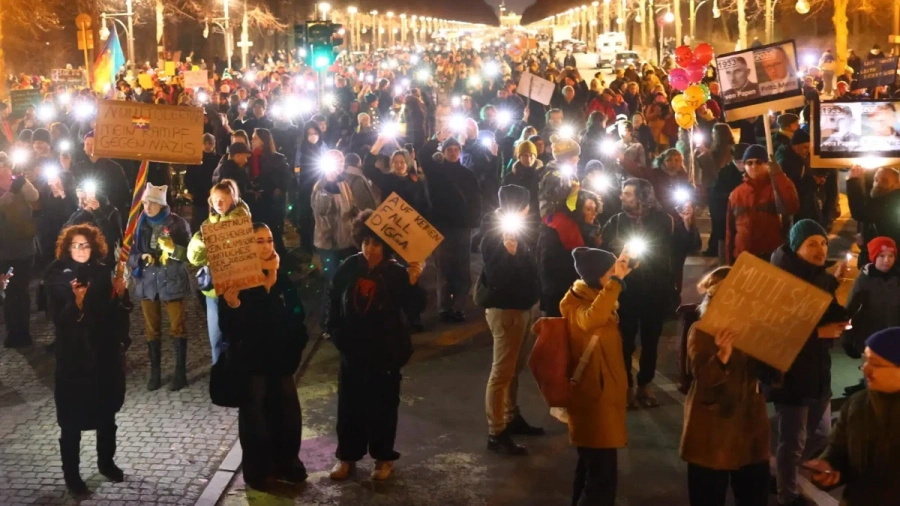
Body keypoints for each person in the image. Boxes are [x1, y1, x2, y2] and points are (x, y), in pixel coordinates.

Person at [325, 211, 426, 481]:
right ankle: (347, 457)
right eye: (366, 242)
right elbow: (333, 298)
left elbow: (415, 309)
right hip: (352, 350)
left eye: (376, 243)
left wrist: (414, 283)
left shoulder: (396, 272)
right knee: (349, 406)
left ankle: (383, 458)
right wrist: (334, 331)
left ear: (386, 245)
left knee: (383, 406)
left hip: (385, 352)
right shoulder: (349, 266)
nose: (370, 249)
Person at [219, 223, 309, 490]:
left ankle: (288, 463)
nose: (266, 246)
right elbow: (228, 327)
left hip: (281, 358)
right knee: (255, 416)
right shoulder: (238, 280)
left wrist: (296, 343)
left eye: (269, 240)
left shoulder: (281, 276)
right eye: (259, 241)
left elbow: (297, 312)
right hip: (253, 360)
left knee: (287, 411)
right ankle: (259, 470)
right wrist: (233, 305)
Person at [768, 219, 850, 506]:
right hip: (791, 375)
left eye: (824, 243)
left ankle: (783, 473)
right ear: (796, 247)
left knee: (819, 434)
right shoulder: (782, 279)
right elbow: (774, 330)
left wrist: (841, 306)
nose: (821, 249)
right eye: (812, 243)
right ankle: (787, 495)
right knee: (793, 441)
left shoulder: (818, 275)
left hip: (817, 370)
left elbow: (825, 309)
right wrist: (818, 333)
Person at [45, 224, 131, 496]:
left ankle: (106, 462)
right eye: (75, 245)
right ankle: (72, 476)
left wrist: (121, 293)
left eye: (85, 245)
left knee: (106, 415)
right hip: (74, 359)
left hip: (103, 355)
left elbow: (116, 313)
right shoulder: (56, 275)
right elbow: (57, 318)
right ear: (67, 248)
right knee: (71, 422)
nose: (81, 249)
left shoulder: (104, 272)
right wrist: (77, 303)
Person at [680, 267, 771, 506]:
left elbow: (770, 374)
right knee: (708, 495)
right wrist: (722, 355)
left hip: (750, 426)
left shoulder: (753, 330)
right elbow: (702, 376)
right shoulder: (701, 330)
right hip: (712, 429)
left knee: (754, 496)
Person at [559, 246, 634, 506]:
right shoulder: (576, 304)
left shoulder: (595, 295)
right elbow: (592, 319)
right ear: (596, 276)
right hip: (593, 400)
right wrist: (616, 282)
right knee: (601, 480)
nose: (615, 274)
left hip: (602, 398)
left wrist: (624, 267)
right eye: (610, 271)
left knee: (590, 471)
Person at [601, 178, 680, 408]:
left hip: (655, 291)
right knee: (624, 342)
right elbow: (603, 250)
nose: (622, 197)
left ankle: (645, 384)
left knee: (651, 342)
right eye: (623, 193)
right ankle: (625, 386)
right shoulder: (616, 222)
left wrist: (688, 224)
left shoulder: (664, 221)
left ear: (642, 197)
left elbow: (681, 248)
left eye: (628, 193)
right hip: (626, 293)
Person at [804, 327, 900, 505]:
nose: (865, 369)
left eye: (876, 364)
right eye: (865, 360)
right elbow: (838, 449)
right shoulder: (857, 404)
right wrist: (828, 465)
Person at [480, 185, 542, 456]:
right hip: (506, 311)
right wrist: (510, 253)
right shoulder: (493, 235)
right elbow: (497, 279)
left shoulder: (520, 230)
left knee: (514, 369)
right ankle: (496, 432)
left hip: (523, 308)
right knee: (501, 373)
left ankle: (511, 415)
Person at [127, 183, 193, 392]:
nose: (147, 207)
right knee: (151, 329)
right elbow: (129, 254)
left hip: (172, 280)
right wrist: (140, 257)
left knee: (177, 326)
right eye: (145, 202)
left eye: (152, 203)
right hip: (147, 282)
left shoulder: (178, 224)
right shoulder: (138, 224)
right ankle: (155, 373)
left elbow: (189, 255)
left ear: (162, 204)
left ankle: (180, 372)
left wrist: (173, 249)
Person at [419, 134, 482, 322]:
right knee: (444, 270)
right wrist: (436, 138)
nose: (453, 152)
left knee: (462, 269)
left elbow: (476, 199)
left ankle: (458, 307)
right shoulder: (436, 172)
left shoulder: (468, 174)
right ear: (444, 152)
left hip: (462, 228)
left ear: (460, 152)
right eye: (449, 149)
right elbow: (423, 155)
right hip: (442, 227)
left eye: (456, 149)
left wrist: (473, 221)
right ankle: (444, 308)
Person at [188, 180, 251, 364]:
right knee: (215, 339)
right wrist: (199, 243)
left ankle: (240, 374)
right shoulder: (207, 224)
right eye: (215, 199)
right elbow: (195, 259)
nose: (219, 203)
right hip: (214, 291)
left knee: (238, 338)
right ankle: (219, 374)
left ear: (233, 198)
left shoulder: (243, 223)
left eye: (223, 199)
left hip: (238, 289)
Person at [840, 237, 900, 394]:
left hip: (894, 334)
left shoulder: (898, 278)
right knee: (873, 371)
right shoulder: (864, 280)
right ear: (873, 257)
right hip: (870, 335)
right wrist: (846, 338)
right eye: (881, 256)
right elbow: (850, 308)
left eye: (891, 256)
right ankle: (867, 392)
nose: (886, 260)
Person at [726, 145, 800, 264]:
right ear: (744, 166)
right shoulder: (736, 194)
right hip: (743, 256)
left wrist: (778, 175)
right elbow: (730, 230)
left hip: (770, 256)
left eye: (759, 162)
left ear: (767, 164)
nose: (754, 166)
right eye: (749, 163)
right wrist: (729, 261)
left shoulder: (776, 188)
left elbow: (791, 205)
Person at [0, 172, 39, 348]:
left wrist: (24, 182)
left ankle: (23, 332)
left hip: (24, 252)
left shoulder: (21, 186)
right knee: (9, 291)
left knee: (21, 292)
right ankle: (12, 332)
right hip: (5, 254)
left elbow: (34, 196)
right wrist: (10, 194)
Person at [312, 150, 361, 284]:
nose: (338, 165)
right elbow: (321, 209)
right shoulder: (321, 185)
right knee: (333, 280)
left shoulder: (344, 183)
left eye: (341, 162)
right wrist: (329, 185)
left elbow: (350, 204)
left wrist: (357, 213)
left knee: (346, 279)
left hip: (345, 240)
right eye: (335, 161)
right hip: (328, 243)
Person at [249, 128, 292, 257]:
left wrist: (278, 190)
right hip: (256, 202)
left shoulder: (277, 159)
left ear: (263, 141)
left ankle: (279, 257)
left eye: (255, 138)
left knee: (273, 231)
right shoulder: (250, 158)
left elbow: (286, 178)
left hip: (271, 202)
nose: (252, 141)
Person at [846, 165, 900, 266]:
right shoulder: (878, 199)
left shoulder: (894, 201)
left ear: (897, 183)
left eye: (884, 181)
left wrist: (853, 181)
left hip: (888, 263)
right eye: (876, 180)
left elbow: (860, 213)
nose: (878, 183)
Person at [71, 132, 131, 219]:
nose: (90, 147)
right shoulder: (78, 167)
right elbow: (73, 187)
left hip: (108, 214)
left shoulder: (113, 167)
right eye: (87, 144)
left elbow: (122, 192)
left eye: (93, 144)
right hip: (84, 212)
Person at [64, 182, 123, 266]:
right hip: (83, 261)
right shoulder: (81, 213)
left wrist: (97, 212)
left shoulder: (111, 212)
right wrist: (85, 213)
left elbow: (112, 239)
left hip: (104, 263)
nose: (81, 202)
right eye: (79, 198)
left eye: (84, 198)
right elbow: (66, 232)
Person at [184, 133, 221, 233]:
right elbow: (189, 176)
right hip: (198, 196)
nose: (207, 146)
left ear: (214, 144)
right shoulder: (195, 158)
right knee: (198, 223)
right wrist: (191, 191)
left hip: (214, 195)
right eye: (205, 143)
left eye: (210, 143)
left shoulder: (219, 159)